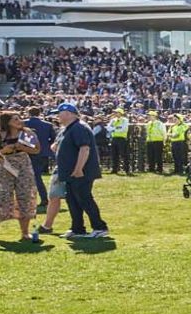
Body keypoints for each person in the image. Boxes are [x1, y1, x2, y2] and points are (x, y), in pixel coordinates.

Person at [52, 102, 109, 240]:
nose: (57, 116)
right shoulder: (68, 128)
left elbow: (85, 149)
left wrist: (78, 169)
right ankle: (77, 228)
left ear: (68, 113)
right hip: (70, 173)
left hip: (81, 172)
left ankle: (99, 227)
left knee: (84, 199)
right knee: (72, 201)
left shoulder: (79, 127)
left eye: (59, 113)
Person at [0, 111, 41, 244]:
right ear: (7, 122)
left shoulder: (26, 133)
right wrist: (3, 151)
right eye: (15, 119)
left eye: (19, 118)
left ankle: (25, 233)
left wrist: (23, 147)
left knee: (25, 197)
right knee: (2, 198)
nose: (19, 121)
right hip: (4, 167)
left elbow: (37, 150)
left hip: (24, 167)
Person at [24, 107, 56, 220]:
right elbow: (53, 138)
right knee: (36, 176)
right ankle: (42, 198)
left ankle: (39, 198)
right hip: (43, 152)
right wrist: (45, 146)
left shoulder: (24, 123)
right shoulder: (47, 125)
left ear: (29, 113)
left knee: (32, 176)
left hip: (28, 151)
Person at [108, 109, 131, 175]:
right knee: (114, 155)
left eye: (116, 112)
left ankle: (127, 170)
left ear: (120, 113)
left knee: (124, 154)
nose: (115, 113)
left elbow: (123, 129)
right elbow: (108, 128)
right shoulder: (113, 120)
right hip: (114, 138)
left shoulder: (125, 120)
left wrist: (113, 129)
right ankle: (114, 169)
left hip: (122, 139)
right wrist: (116, 128)